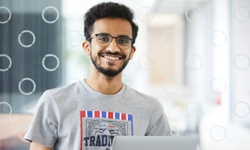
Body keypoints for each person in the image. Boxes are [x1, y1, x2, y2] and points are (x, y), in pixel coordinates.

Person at [24, 2, 171, 150]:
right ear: (87, 47)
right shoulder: (54, 102)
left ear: (131, 51)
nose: (113, 48)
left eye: (123, 41)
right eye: (103, 38)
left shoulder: (151, 108)